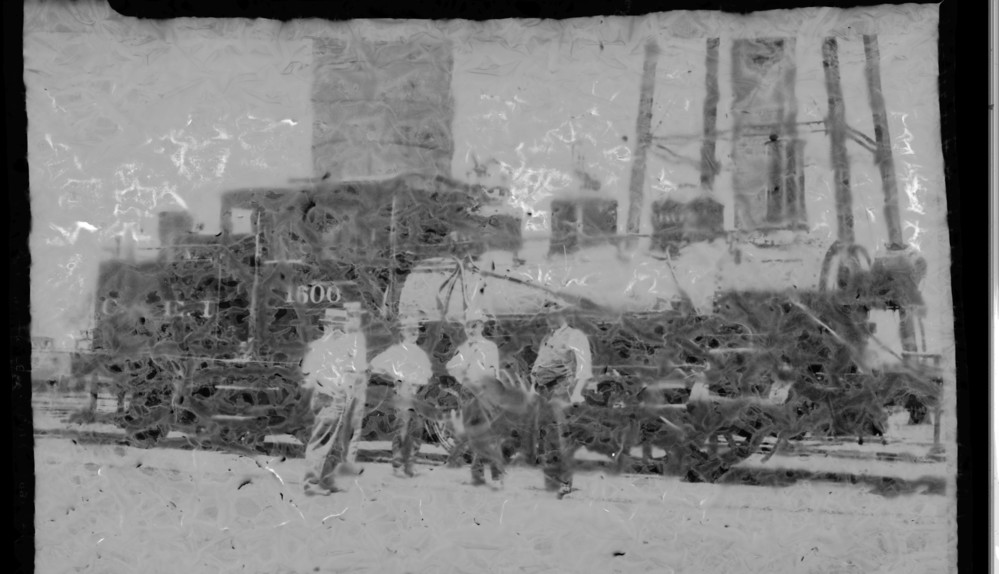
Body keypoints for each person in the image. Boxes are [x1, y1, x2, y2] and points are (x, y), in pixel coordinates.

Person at [300, 304, 367, 496]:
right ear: (328, 325)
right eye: (336, 325)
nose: (340, 330)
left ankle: (326, 481)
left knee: (332, 443)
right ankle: (311, 483)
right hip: (329, 399)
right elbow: (308, 374)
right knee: (321, 442)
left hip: (336, 399)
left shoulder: (331, 347)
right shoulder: (322, 347)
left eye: (341, 325)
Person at [530, 308, 593, 498]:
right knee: (545, 437)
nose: (549, 318)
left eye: (553, 314)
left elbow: (584, 366)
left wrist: (577, 392)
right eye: (547, 314)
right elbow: (538, 364)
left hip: (562, 391)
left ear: (563, 314)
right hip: (543, 392)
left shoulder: (575, 335)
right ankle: (552, 480)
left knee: (563, 438)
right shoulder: (547, 338)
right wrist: (533, 388)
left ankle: (566, 482)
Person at [446, 311, 505, 486]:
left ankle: (495, 474)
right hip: (469, 392)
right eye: (467, 327)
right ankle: (479, 473)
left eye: (474, 326)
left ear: (481, 326)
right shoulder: (464, 348)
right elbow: (452, 367)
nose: (470, 330)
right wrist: (463, 379)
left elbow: (493, 370)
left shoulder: (489, 347)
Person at [369, 317, 433, 477]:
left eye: (416, 330)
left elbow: (427, 374)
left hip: (419, 394)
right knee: (403, 429)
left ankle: (410, 464)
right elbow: (375, 365)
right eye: (410, 330)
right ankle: (398, 465)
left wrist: (420, 383)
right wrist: (395, 378)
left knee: (417, 429)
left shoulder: (420, 353)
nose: (414, 333)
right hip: (404, 392)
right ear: (403, 332)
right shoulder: (396, 351)